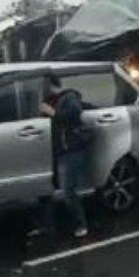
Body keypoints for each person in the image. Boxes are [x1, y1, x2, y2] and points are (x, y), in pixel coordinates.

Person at [39, 74, 89, 238]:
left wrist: (52, 112)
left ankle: (81, 223)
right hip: (56, 151)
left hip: (70, 150)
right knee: (49, 191)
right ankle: (50, 226)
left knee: (68, 190)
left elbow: (74, 114)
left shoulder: (68, 97)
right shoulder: (49, 101)